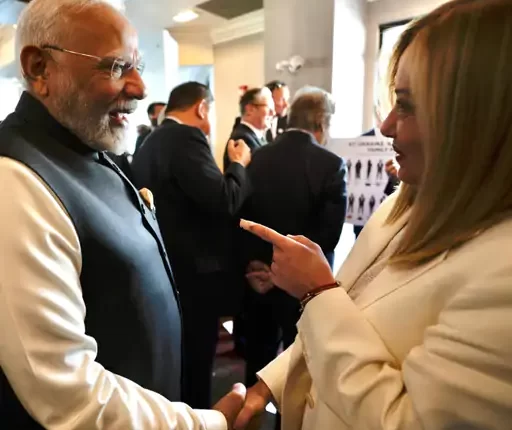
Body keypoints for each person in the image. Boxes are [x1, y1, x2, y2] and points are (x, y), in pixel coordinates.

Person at [229, 0, 512, 429]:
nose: (386, 126)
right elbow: (353, 308)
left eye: (408, 105)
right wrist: (272, 382)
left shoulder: (502, 273)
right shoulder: (406, 202)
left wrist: (315, 292)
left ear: (476, 118)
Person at [0, 0, 245, 428]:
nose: (140, 87)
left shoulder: (85, 147)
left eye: (138, 66)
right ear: (40, 68)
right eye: (116, 67)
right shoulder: (14, 180)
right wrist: (202, 425)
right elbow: (66, 392)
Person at [131, 81, 252, 409]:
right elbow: (224, 200)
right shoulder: (187, 137)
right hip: (195, 275)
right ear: (201, 107)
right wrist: (239, 164)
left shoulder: (150, 140)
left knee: (176, 362)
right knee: (197, 363)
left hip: (164, 267)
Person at [239, 86, 346, 429]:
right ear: (322, 122)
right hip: (303, 290)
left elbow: (242, 217)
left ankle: (245, 422)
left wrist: (258, 266)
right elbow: (329, 236)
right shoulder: (331, 165)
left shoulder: (258, 157)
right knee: (298, 368)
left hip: (258, 280)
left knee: (257, 363)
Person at [223, 87, 274, 171]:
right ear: (250, 109)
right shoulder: (242, 139)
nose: (273, 113)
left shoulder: (255, 137)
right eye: (269, 108)